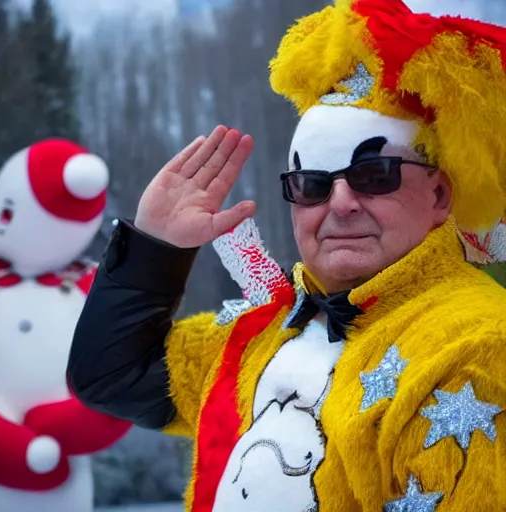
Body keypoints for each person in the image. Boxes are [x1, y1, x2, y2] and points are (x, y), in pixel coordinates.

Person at [68, 0, 506, 510]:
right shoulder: (264, 331)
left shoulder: (477, 347)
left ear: (440, 196)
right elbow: (111, 378)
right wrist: (153, 251)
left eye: (374, 176)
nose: (340, 203)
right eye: (312, 184)